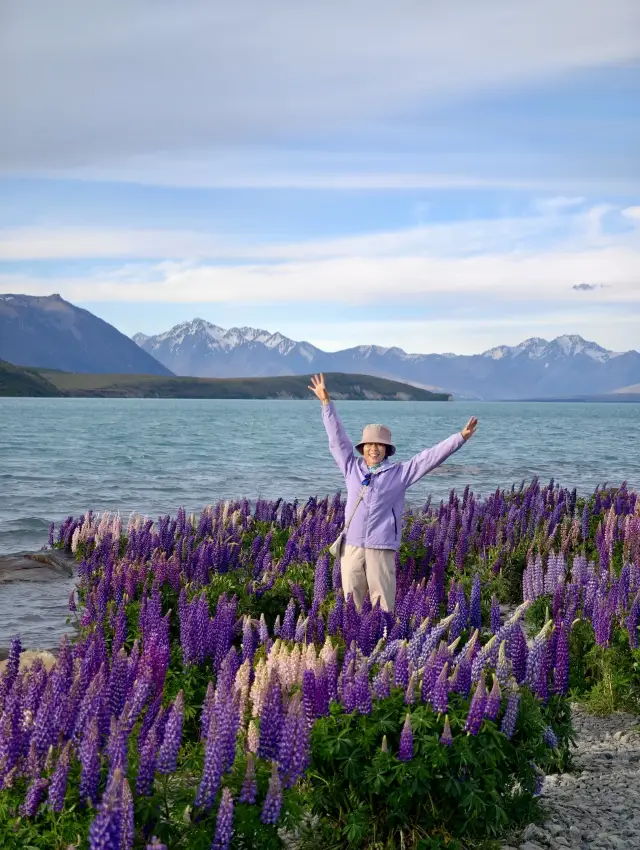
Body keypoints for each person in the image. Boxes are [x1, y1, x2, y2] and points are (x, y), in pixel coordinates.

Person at [308, 373, 478, 613]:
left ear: (386, 449)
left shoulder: (400, 473)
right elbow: (337, 440)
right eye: (369, 444)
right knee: (350, 605)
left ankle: (384, 647)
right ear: (363, 448)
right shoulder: (351, 467)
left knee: (383, 606)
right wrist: (326, 404)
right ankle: (353, 647)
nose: (373, 448)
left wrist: (459, 438)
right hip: (352, 546)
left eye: (379, 445)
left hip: (382, 546)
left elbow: (428, 458)